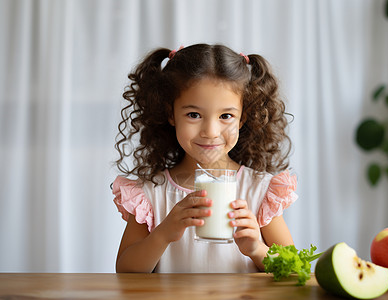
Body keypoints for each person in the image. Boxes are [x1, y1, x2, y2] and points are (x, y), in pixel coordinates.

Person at [112, 43, 298, 273]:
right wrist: (162, 235)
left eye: (226, 116)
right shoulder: (151, 193)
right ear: (171, 114)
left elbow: (292, 269)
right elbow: (125, 271)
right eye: (193, 114)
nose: (210, 131)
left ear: (242, 119)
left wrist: (257, 249)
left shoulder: (258, 191)